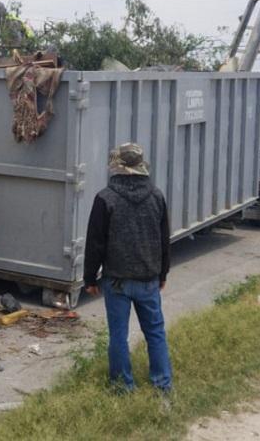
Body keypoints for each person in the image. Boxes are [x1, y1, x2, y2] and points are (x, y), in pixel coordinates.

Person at [84, 142, 172, 393]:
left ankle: (123, 387)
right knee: (155, 333)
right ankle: (162, 386)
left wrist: (89, 278)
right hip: (148, 278)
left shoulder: (105, 198)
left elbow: (95, 243)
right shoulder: (156, 196)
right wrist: (162, 273)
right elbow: (163, 239)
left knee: (118, 336)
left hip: (117, 280)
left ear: (117, 167)